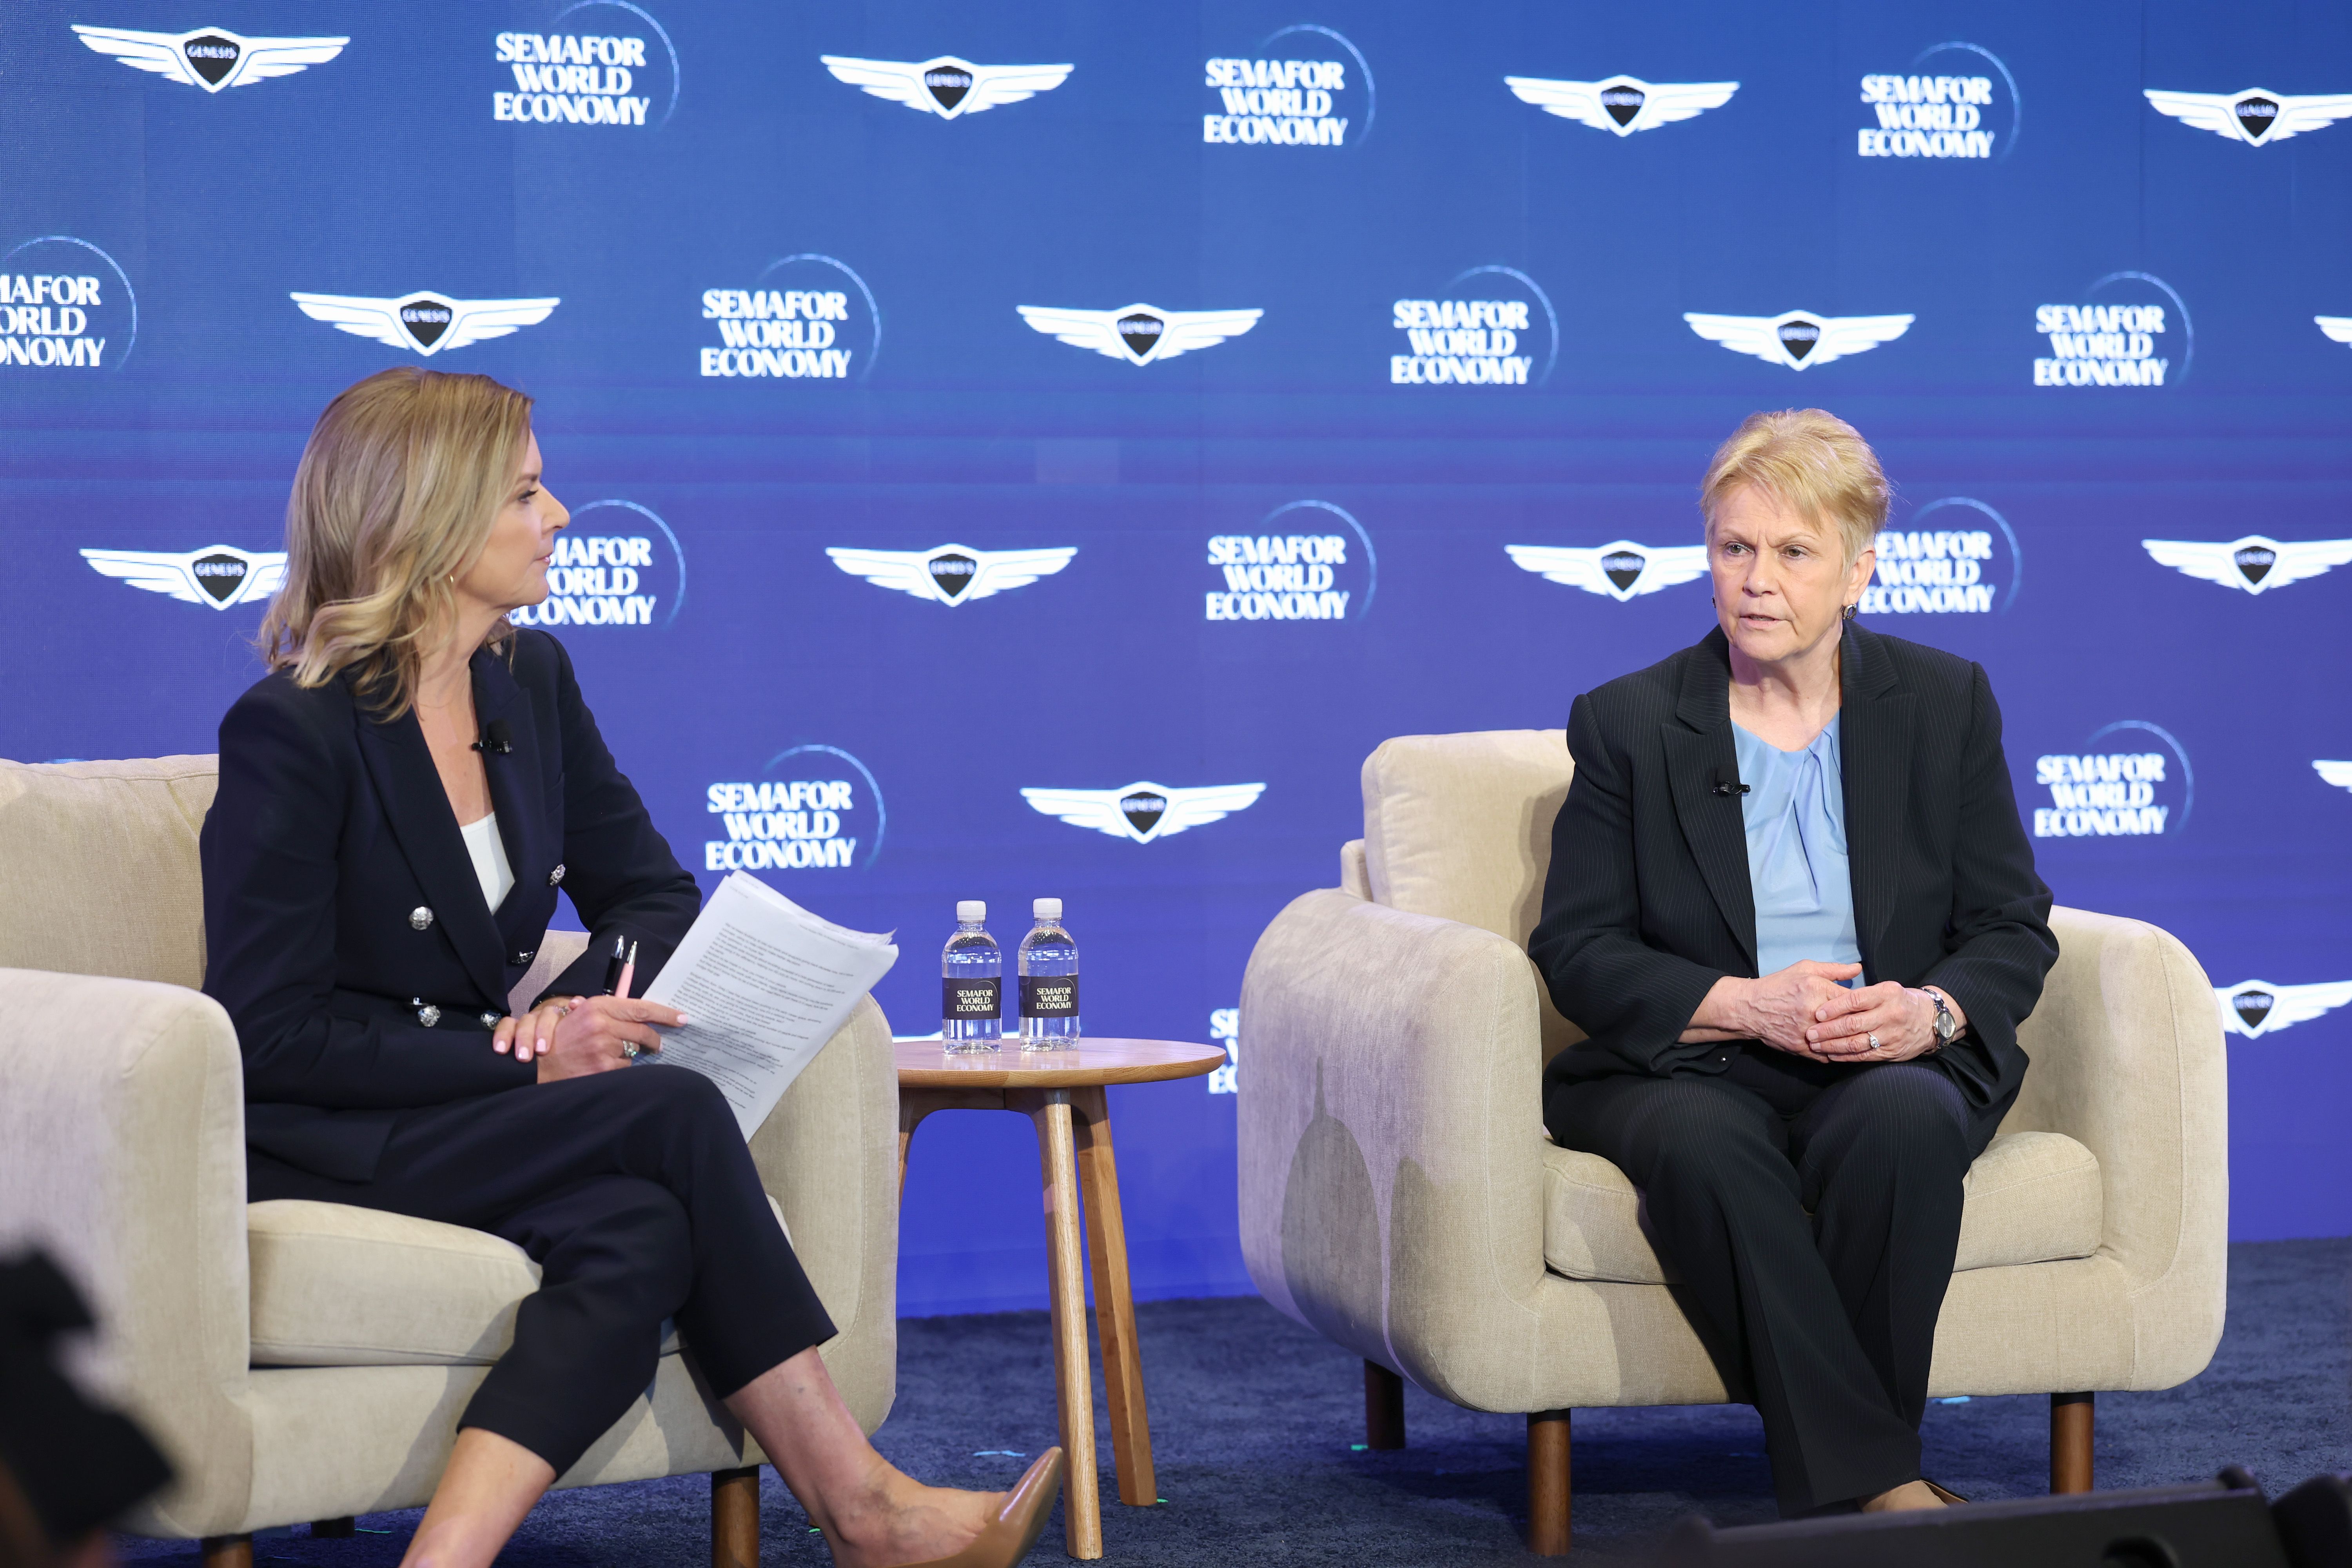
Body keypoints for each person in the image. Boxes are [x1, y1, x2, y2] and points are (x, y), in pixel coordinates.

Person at [201, 367, 1061, 1568]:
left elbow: (652, 897)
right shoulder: (294, 731)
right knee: (672, 1113)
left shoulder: (530, 683)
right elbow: (267, 1035)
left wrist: (561, 1017)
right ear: (430, 519)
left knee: (641, 1230)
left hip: (467, 1114)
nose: (557, 517)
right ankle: (864, 1509)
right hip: (335, 1133)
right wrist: (521, 1063)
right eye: (525, 493)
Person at [1527, 408, 2058, 1518]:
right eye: (1734, 547)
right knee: (1702, 1147)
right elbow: (1577, 947)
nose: (1756, 580)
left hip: (1886, 1054)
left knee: (1903, 1124)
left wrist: (1931, 1012)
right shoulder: (1629, 723)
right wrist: (1742, 1006)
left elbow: (2012, 923)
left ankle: (1843, 1493)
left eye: (1793, 551)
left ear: (1860, 572)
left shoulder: (1945, 702)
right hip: (1696, 1062)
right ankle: (1881, 1494)